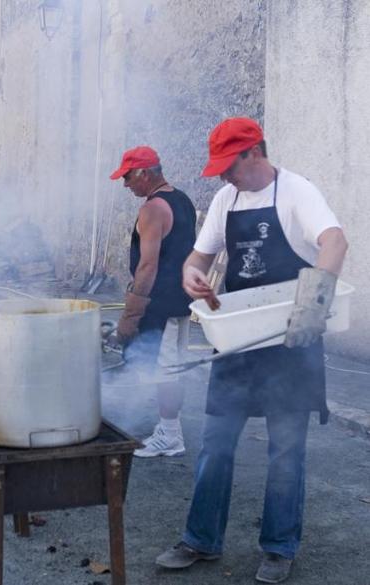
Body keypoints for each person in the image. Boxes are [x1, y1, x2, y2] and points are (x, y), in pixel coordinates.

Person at [156, 117, 348, 583]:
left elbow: (334, 241)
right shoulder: (228, 198)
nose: (223, 175)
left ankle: (279, 548)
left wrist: (313, 302)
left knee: (286, 450)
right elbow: (199, 256)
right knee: (216, 444)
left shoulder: (298, 191)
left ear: (254, 154)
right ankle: (200, 540)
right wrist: (190, 274)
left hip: (291, 341)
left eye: (229, 165)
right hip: (239, 340)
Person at [109, 146, 197, 457]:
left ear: (145, 173)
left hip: (160, 303)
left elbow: (148, 265)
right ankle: (169, 428)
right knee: (173, 367)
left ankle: (171, 435)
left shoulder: (152, 210)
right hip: (180, 298)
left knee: (166, 370)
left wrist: (131, 314)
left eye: (128, 177)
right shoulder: (182, 200)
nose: (126, 184)